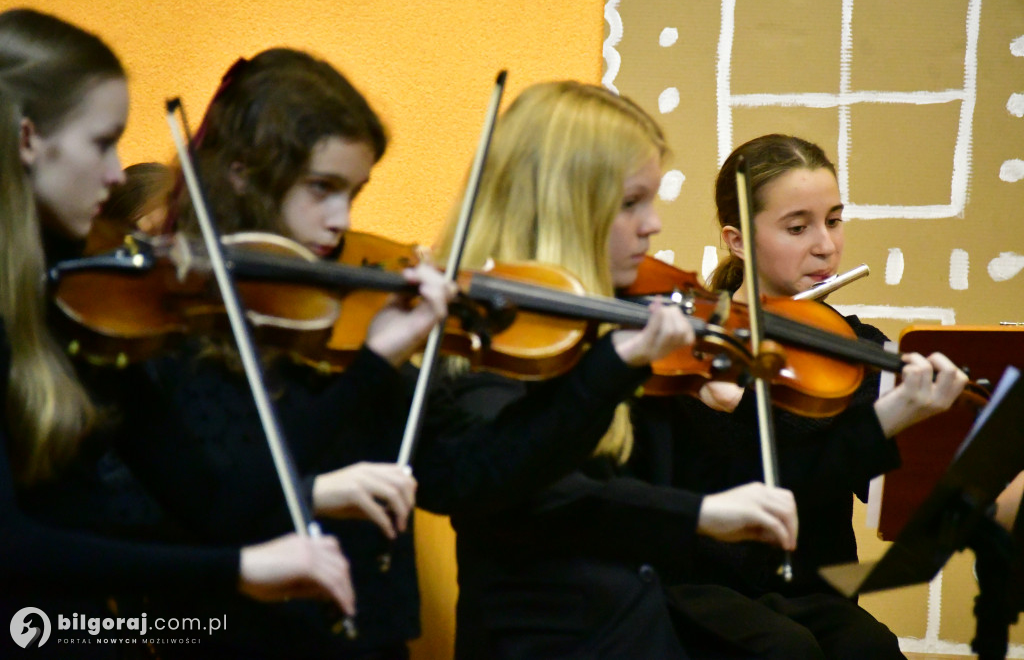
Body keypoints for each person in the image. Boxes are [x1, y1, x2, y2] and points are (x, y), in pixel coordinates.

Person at [136, 50, 703, 659]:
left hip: (370, 637)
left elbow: (468, 477)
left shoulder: (347, 314)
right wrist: (370, 371)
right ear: (241, 175)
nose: (341, 221)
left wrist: (609, 367)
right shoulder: (168, 324)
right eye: (321, 189)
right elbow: (205, 502)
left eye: (353, 193)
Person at [0, 8, 357, 657]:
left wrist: (377, 366)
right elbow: (14, 545)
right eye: (102, 142)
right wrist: (239, 571)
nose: (116, 174)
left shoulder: (80, 303)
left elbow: (214, 499)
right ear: (28, 139)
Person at [430, 81, 803, 659]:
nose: (653, 225)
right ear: (564, 203)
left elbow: (665, 481)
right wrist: (701, 514)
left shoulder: (614, 319)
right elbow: (537, 492)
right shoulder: (482, 332)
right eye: (631, 203)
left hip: (636, 630)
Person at [662, 133, 969, 659]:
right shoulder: (689, 348)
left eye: (834, 220)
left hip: (808, 588)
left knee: (871, 648)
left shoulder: (856, 348)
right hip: (696, 587)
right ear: (736, 240)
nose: (825, 245)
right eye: (798, 227)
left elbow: (879, 482)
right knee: (785, 649)